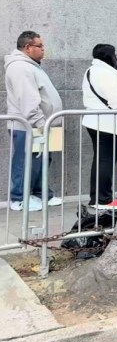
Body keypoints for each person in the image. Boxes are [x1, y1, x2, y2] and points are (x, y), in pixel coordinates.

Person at [4, 31, 63, 211]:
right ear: (28, 48)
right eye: (40, 46)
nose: (43, 50)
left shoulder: (32, 66)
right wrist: (40, 123)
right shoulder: (20, 67)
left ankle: (40, 193)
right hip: (27, 125)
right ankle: (19, 198)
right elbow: (28, 99)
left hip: (39, 124)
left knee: (41, 161)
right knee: (24, 162)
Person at [82, 44, 117, 210]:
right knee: (105, 160)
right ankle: (102, 199)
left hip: (97, 121)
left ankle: (99, 197)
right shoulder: (106, 73)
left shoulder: (93, 70)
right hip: (107, 124)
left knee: (101, 160)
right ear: (109, 56)